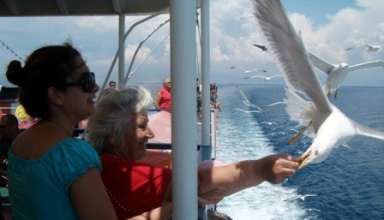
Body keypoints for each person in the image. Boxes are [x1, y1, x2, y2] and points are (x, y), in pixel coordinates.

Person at [87, 86, 300, 220]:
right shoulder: (124, 173)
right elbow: (200, 181)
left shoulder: (94, 164)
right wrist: (260, 169)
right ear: (115, 134)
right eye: (142, 126)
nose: (151, 133)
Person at [5, 44, 118, 220]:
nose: (95, 87)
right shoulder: (72, 155)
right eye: (86, 80)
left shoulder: (20, 144)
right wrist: (164, 210)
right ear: (56, 95)